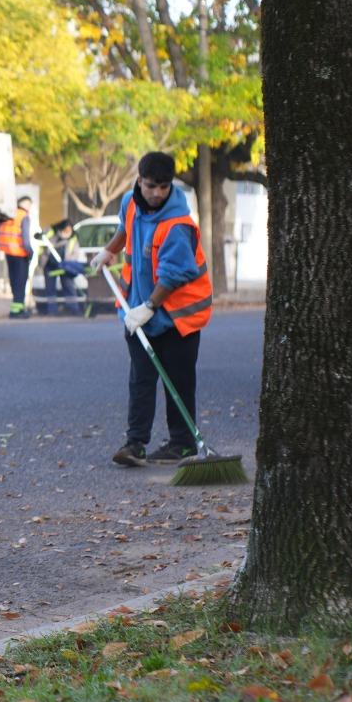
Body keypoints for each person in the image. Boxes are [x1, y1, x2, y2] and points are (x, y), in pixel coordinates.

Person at [91, 152, 213, 467]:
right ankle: (135, 444)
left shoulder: (177, 224)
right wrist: (109, 250)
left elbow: (174, 275)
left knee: (179, 381)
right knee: (141, 380)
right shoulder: (130, 203)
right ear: (139, 181)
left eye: (163, 186)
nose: (156, 193)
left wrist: (149, 307)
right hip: (138, 315)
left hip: (177, 319)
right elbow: (125, 228)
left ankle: (183, 443)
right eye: (150, 186)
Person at [36, 218, 86, 315]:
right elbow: (41, 240)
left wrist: (68, 263)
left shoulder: (73, 238)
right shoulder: (51, 233)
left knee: (68, 286)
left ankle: (73, 308)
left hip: (65, 265)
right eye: (65, 231)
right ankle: (52, 310)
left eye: (69, 231)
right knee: (50, 288)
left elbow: (75, 252)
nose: (67, 233)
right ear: (60, 229)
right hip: (49, 264)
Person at [0, 196, 35, 318]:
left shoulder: (8, 215)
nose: (30, 207)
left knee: (14, 281)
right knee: (20, 282)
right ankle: (18, 311)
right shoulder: (23, 216)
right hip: (20, 254)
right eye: (29, 205)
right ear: (25, 204)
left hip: (8, 253)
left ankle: (15, 308)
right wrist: (31, 253)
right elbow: (25, 240)